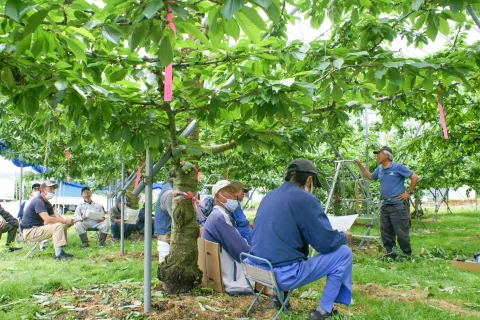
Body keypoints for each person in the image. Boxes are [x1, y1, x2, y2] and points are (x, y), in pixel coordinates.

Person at [249, 159, 352, 320]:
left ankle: (278, 298)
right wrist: (342, 236)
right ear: (309, 180)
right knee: (344, 253)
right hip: (282, 275)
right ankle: (323, 310)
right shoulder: (305, 199)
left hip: (256, 270)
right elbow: (325, 243)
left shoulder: (269, 196)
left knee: (281, 247)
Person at [355, 146, 419, 256]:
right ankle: (391, 254)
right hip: (385, 205)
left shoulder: (398, 167)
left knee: (401, 232)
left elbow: (414, 177)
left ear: (387, 155)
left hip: (397, 205)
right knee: (385, 232)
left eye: (379, 154)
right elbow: (370, 176)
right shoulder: (380, 169)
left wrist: (409, 193)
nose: (377, 156)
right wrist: (360, 165)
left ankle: (407, 254)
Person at [201, 180, 251, 294]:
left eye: (234, 192)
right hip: (231, 280)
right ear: (218, 196)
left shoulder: (218, 215)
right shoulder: (220, 217)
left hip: (222, 274)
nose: (234, 195)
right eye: (229, 191)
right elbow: (242, 251)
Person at [21, 181, 74, 260]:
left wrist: (66, 222)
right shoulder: (38, 201)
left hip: (36, 229)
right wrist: (65, 221)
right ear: (42, 190)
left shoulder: (46, 203)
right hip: (30, 231)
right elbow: (47, 219)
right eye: (51, 189)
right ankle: (58, 255)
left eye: (54, 189)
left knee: (61, 225)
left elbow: (54, 216)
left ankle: (60, 250)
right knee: (58, 226)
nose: (53, 191)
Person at [154, 177, 173, 243]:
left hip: (165, 231)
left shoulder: (166, 189)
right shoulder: (170, 193)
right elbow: (174, 216)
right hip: (166, 233)